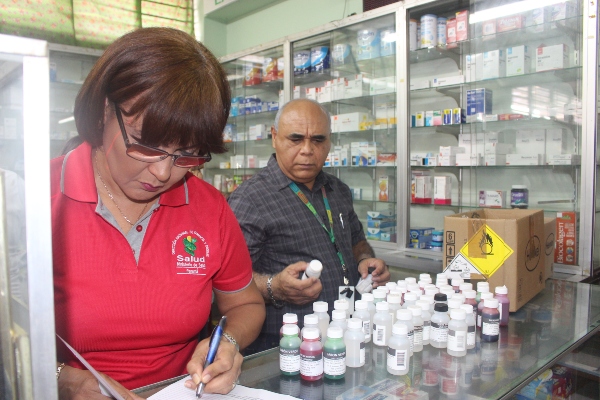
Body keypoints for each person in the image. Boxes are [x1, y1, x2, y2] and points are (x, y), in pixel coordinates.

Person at [51, 27, 265, 399]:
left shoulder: (208, 207)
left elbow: (245, 303)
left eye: (187, 154)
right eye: (147, 146)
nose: (164, 173)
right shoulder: (33, 199)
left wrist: (226, 342)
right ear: (105, 111)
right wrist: (60, 378)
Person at [228, 99, 390, 354]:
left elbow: (357, 240)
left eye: (317, 140)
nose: (307, 150)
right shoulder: (250, 200)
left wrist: (366, 259)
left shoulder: (337, 190)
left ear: (329, 142)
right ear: (274, 137)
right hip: (283, 345)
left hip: (347, 330)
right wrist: (275, 287)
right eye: (295, 139)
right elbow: (227, 282)